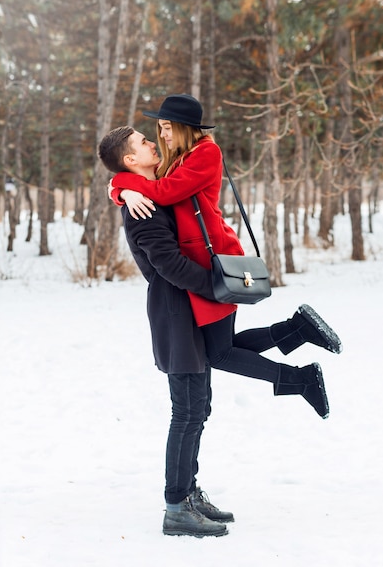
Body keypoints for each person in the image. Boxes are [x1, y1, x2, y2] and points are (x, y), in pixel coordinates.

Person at [108, 94, 342, 424]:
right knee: (221, 347)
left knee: (220, 352)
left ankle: (301, 374)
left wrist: (124, 186)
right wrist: (121, 188)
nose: (161, 136)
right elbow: (138, 174)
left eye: (165, 128)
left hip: (212, 259)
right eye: (158, 130)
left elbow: (161, 192)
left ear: (182, 127)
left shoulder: (206, 152)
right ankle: (298, 334)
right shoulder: (176, 159)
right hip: (196, 262)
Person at [98, 126, 231, 538]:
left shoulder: (147, 193)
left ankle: (188, 493)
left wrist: (121, 187)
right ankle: (176, 507)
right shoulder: (142, 208)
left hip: (185, 307)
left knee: (199, 407)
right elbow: (168, 265)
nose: (152, 143)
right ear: (130, 160)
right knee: (187, 411)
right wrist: (216, 286)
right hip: (174, 312)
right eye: (142, 142)